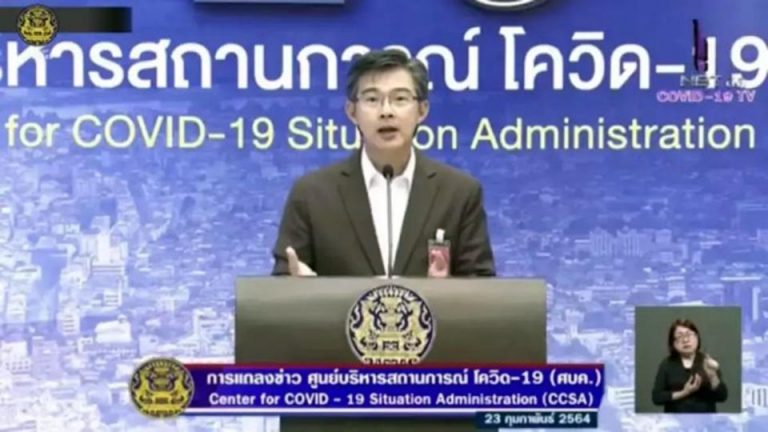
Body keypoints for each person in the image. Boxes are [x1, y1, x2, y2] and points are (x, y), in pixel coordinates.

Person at [271, 49, 496, 278]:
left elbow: (481, 285)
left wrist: (443, 291)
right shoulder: (312, 194)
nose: (386, 111)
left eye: (400, 99)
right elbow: (282, 282)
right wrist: (304, 289)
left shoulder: (459, 193)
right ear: (352, 112)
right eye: (372, 99)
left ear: (422, 110)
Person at [651, 319, 728, 413]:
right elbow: (657, 398)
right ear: (673, 343)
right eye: (679, 336)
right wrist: (684, 392)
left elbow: (722, 396)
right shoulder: (667, 364)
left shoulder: (707, 362)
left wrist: (713, 376)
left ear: (697, 337)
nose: (685, 340)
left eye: (688, 335)